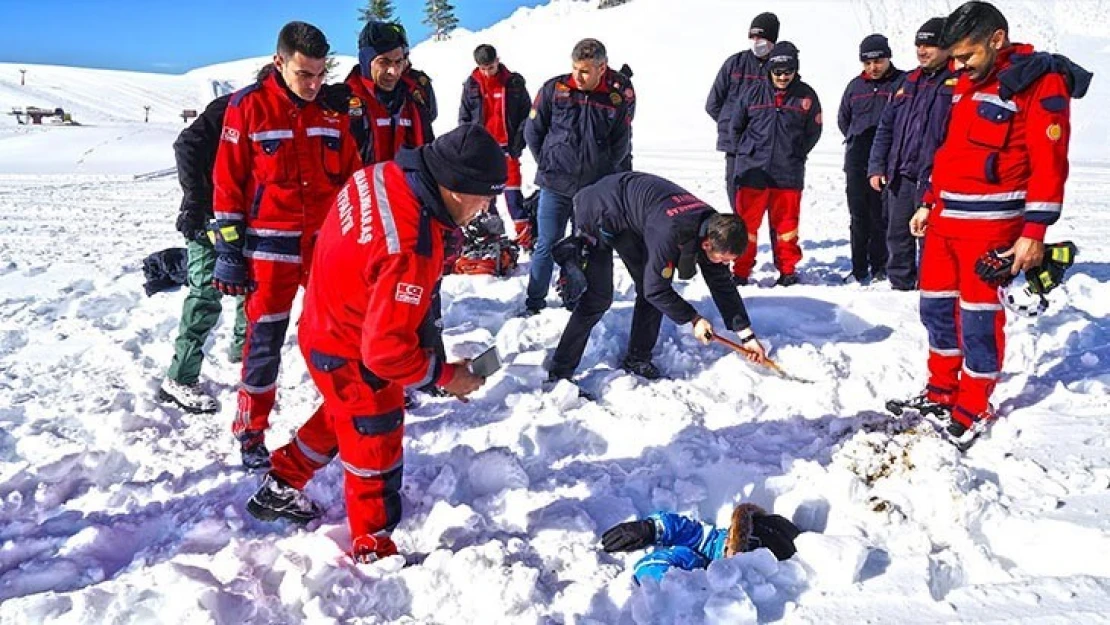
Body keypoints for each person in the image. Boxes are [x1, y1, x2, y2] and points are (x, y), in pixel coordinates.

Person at [245, 125, 506, 562]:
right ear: (457, 189)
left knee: (342, 409)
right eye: (484, 198)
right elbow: (385, 353)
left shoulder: (382, 175)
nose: (485, 209)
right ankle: (373, 545)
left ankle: (282, 481)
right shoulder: (409, 247)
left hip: (327, 321)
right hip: (353, 345)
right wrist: (445, 377)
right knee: (375, 439)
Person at [899, 1, 1090, 443]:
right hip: (945, 222)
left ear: (996, 39)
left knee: (979, 320)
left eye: (967, 55)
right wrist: (929, 201)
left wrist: (1034, 234)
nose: (960, 66)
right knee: (935, 310)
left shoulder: (1039, 81)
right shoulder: (967, 82)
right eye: (955, 59)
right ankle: (941, 389)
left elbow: (1050, 164)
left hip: (991, 228)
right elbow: (951, 153)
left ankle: (974, 403)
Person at [211, 22, 362, 469]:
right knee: (264, 343)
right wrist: (228, 251)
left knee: (345, 335)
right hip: (269, 251)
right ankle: (250, 432)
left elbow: (353, 176)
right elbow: (227, 183)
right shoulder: (248, 107)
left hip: (324, 249)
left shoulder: (334, 110)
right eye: (304, 75)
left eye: (320, 74)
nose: (314, 85)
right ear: (279, 63)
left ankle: (349, 417)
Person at [546, 172, 766, 383]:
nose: (725, 264)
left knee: (650, 286)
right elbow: (656, 290)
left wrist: (747, 336)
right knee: (599, 298)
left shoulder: (715, 227)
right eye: (724, 258)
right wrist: (694, 319)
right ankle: (560, 372)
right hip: (598, 210)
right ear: (707, 244)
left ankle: (638, 358)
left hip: (633, 215)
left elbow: (721, 284)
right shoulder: (671, 230)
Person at [158, 70, 265, 413]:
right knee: (206, 292)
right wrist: (196, 198)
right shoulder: (230, 107)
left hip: (248, 216)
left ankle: (242, 349)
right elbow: (186, 146)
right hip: (209, 217)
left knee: (251, 283)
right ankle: (179, 377)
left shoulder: (275, 113)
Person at [523, 38, 635, 315]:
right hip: (555, 184)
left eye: (585, 71)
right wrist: (549, 162)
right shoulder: (554, 89)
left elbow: (621, 144)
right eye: (575, 68)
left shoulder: (614, 99)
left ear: (601, 68)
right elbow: (533, 131)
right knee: (547, 244)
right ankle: (534, 301)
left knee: (585, 249)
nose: (578, 76)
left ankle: (575, 298)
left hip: (592, 191)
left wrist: (604, 173)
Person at [867, 18, 956, 291]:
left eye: (930, 44)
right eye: (919, 44)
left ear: (947, 46)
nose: (922, 50)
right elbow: (886, 127)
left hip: (936, 175)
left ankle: (933, 289)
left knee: (931, 237)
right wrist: (877, 165)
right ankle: (901, 287)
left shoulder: (958, 82)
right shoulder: (908, 82)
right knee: (897, 234)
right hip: (901, 173)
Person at [728, 41, 822, 287]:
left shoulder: (807, 96)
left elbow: (813, 132)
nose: (782, 77)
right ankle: (741, 270)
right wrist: (747, 154)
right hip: (753, 173)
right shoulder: (752, 93)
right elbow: (735, 127)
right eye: (777, 72)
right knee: (746, 226)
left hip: (787, 174)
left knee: (787, 226)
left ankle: (788, 270)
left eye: (788, 72)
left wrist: (795, 154)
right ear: (770, 69)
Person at [838, 34, 904, 284]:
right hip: (857, 159)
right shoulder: (855, 87)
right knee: (858, 215)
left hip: (889, 160)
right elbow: (844, 119)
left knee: (882, 215)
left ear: (888, 58)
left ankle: (880, 266)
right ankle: (858, 268)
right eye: (867, 63)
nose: (873, 67)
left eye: (878, 61)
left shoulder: (902, 82)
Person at [601, 504, 801, 584]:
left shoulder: (742, 590)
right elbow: (695, 534)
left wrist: (690, 578)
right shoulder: (719, 545)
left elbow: (650, 571)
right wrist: (650, 529)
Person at [458, 44, 532, 247]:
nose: (487, 72)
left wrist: (519, 141)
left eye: (490, 67)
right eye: (483, 68)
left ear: (497, 60)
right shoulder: (472, 84)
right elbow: (464, 117)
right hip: (483, 149)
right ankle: (493, 237)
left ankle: (525, 236)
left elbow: (526, 115)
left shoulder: (513, 82)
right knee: (485, 198)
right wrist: (469, 144)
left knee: (512, 193)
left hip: (509, 148)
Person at [706, 12, 780, 211]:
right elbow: (713, 104)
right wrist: (732, 126)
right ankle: (742, 237)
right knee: (736, 195)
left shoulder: (779, 69)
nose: (756, 42)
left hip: (766, 146)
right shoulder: (734, 64)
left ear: (772, 39)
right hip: (735, 146)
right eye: (753, 37)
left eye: (761, 38)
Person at [328, 20, 428, 165]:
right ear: (366, 62)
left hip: (407, 186)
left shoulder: (414, 97)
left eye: (398, 62)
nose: (393, 71)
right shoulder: (343, 103)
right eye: (384, 62)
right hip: (362, 186)